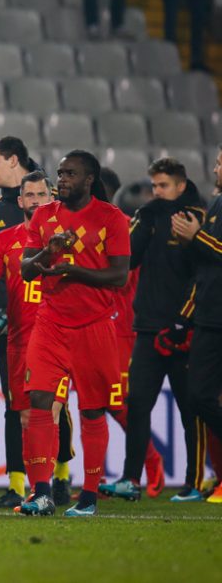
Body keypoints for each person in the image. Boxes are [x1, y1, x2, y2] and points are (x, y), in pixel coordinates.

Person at [19, 150, 130, 518]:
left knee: (93, 410)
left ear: (88, 180)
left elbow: (119, 275)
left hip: (95, 326)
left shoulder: (111, 218)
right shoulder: (43, 216)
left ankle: (89, 496)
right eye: (60, 173)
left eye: (70, 174)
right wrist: (47, 255)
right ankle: (41, 492)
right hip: (50, 322)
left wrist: (73, 270)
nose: (61, 179)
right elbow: (26, 271)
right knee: (38, 400)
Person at [100, 158, 207, 502]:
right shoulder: (148, 215)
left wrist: (182, 320)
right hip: (147, 328)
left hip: (183, 330)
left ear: (179, 185)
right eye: (154, 186)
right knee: (137, 403)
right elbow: (127, 259)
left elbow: (202, 276)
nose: (156, 192)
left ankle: (192, 482)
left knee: (189, 407)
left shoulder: (197, 220)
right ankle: (131, 479)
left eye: (162, 186)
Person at [0, 171, 54, 503]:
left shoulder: (65, 238)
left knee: (50, 410)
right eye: (31, 195)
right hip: (18, 337)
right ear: (21, 200)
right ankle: (36, 487)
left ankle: (45, 488)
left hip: (56, 336)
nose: (37, 200)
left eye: (42, 194)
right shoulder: (5, 239)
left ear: (51, 198)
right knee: (25, 415)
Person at [170, 146, 222, 504]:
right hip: (208, 316)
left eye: (220, 162)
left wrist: (197, 237)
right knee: (199, 396)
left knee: (201, 395)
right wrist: (185, 316)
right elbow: (206, 269)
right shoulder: (217, 203)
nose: (215, 167)